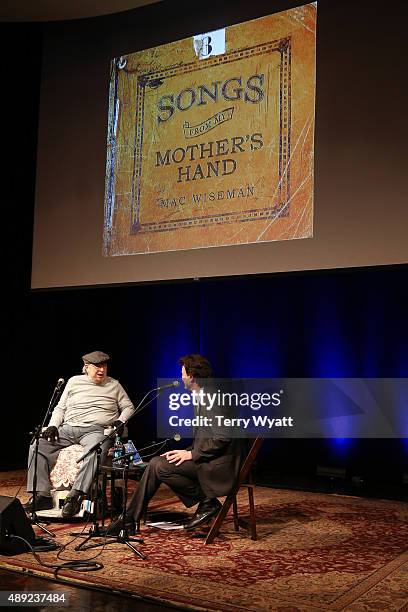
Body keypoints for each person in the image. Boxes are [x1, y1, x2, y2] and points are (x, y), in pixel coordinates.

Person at [108, 353, 244, 534]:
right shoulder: (204, 396)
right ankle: (130, 518)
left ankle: (206, 502)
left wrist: (191, 455)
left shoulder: (213, 399)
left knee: (159, 466)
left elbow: (223, 437)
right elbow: (207, 438)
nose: (181, 378)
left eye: (183, 374)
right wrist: (185, 451)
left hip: (219, 466)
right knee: (159, 463)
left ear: (192, 377)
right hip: (209, 459)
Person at [25, 350, 135, 518]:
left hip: (96, 430)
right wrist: (53, 425)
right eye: (97, 366)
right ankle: (42, 495)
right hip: (69, 428)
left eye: (104, 366)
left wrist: (121, 421)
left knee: (96, 449)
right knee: (37, 445)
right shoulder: (74, 382)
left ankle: (76, 495)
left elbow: (129, 407)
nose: (101, 370)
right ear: (86, 367)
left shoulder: (114, 384)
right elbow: (60, 407)